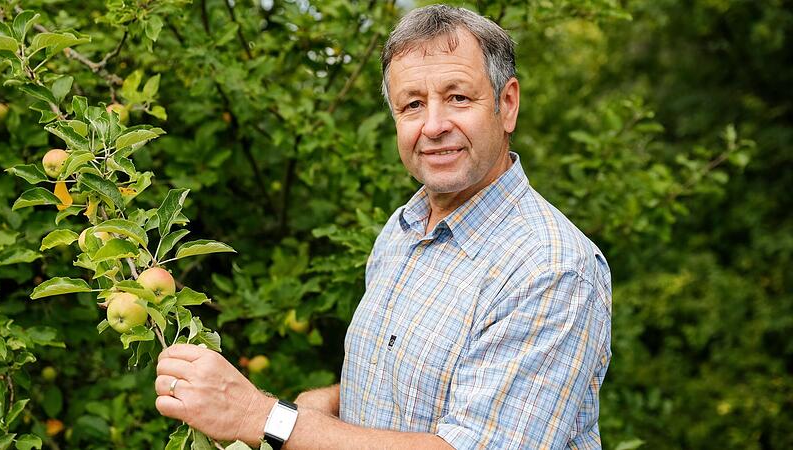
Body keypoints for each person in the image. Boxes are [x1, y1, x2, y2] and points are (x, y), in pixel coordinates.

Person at [155, 4, 612, 449]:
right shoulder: (403, 229)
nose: (433, 125)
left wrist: (264, 418)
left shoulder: (551, 269)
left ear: (506, 104)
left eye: (457, 97)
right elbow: (417, 391)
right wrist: (327, 404)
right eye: (412, 104)